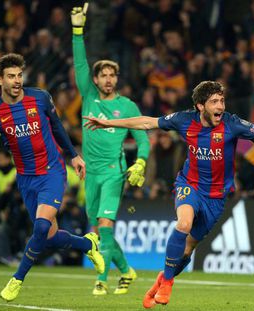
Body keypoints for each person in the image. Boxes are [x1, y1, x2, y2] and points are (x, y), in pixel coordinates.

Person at [83, 80, 254, 308]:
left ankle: (163, 279)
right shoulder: (184, 120)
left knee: (188, 248)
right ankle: (168, 283)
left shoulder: (232, 124)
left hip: (217, 197)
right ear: (200, 105)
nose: (221, 106)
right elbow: (147, 122)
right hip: (190, 185)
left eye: (222, 100)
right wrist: (108, 122)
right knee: (183, 223)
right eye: (215, 101)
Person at [0, 53, 105, 302]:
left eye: (19, 75)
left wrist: (73, 156)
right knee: (48, 236)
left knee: (41, 226)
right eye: (11, 76)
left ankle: (17, 279)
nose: (17, 81)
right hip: (25, 178)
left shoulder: (40, 97)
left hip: (52, 172)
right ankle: (89, 245)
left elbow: (57, 127)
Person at [71, 4, 150, 295]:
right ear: (95, 80)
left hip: (113, 173)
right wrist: (77, 32)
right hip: (90, 174)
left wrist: (140, 162)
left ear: (116, 78)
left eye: (111, 75)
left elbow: (143, 138)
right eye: (102, 75)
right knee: (99, 231)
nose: (107, 79)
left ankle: (101, 280)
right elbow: (80, 64)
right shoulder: (89, 97)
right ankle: (127, 271)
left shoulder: (127, 106)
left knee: (104, 223)